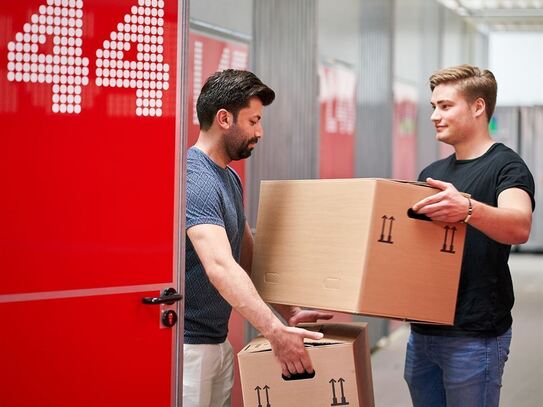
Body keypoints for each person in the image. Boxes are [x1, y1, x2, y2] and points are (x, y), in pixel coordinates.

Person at [183, 69, 333, 407]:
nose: (259, 132)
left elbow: (247, 261)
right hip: (189, 348)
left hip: (216, 342)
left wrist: (288, 312)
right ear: (224, 119)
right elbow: (221, 266)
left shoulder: (229, 179)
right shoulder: (195, 178)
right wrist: (274, 332)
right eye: (253, 121)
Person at [403, 64, 536, 407]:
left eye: (446, 106)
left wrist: (467, 210)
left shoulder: (506, 166)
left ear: (478, 107)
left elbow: (520, 225)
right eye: (434, 106)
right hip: (423, 334)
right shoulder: (432, 174)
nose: (434, 115)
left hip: (474, 335)